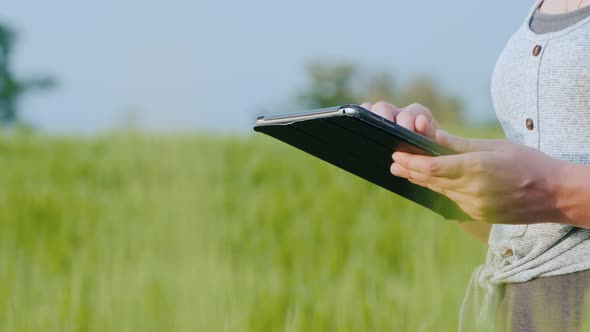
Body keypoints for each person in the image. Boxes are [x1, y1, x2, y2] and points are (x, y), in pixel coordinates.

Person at [363, 0, 590, 330]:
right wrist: (441, 173)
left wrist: (553, 189)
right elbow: (539, 235)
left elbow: (550, 194)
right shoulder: (540, 12)